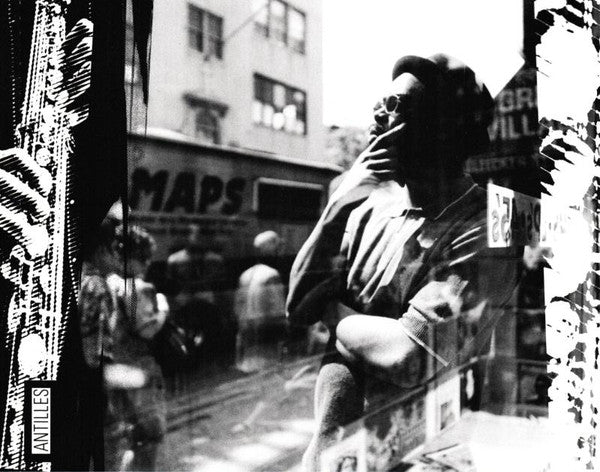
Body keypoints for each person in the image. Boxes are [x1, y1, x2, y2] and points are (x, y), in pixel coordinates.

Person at [286, 54, 522, 470]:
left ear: (444, 129)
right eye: (380, 104)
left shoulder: (490, 222)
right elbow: (298, 307)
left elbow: (409, 356)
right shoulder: (365, 211)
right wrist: (338, 203)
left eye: (398, 106)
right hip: (332, 459)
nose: (379, 116)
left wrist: (333, 312)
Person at [0, 1, 153, 467]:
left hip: (62, 371)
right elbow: (98, 347)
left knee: (46, 435)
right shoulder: (98, 284)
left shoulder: (93, 278)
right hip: (69, 372)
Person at [104, 224, 168, 471]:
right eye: (145, 257)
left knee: (129, 437)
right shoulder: (139, 288)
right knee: (149, 438)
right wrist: (162, 308)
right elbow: (147, 329)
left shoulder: (107, 282)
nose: (148, 263)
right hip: (138, 371)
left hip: (113, 370)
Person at [234, 230, 287, 372]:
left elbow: (237, 308)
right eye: (277, 249)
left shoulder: (244, 275)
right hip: (266, 336)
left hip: (248, 335)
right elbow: (278, 311)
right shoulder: (272, 274)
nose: (280, 253)